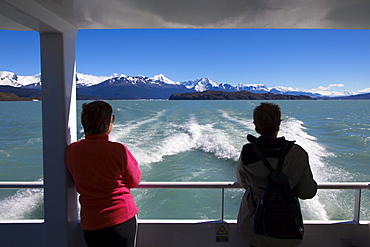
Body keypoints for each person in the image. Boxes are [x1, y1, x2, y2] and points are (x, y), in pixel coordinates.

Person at [236, 102, 317, 247]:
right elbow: (307, 192)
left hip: (255, 229)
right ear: (279, 123)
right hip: (287, 229)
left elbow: (242, 182)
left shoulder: (247, 152)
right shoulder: (298, 153)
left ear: (255, 125)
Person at [66, 101, 141, 247]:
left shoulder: (72, 151)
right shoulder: (118, 150)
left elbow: (75, 178)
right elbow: (134, 180)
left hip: (91, 222)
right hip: (121, 218)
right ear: (108, 123)